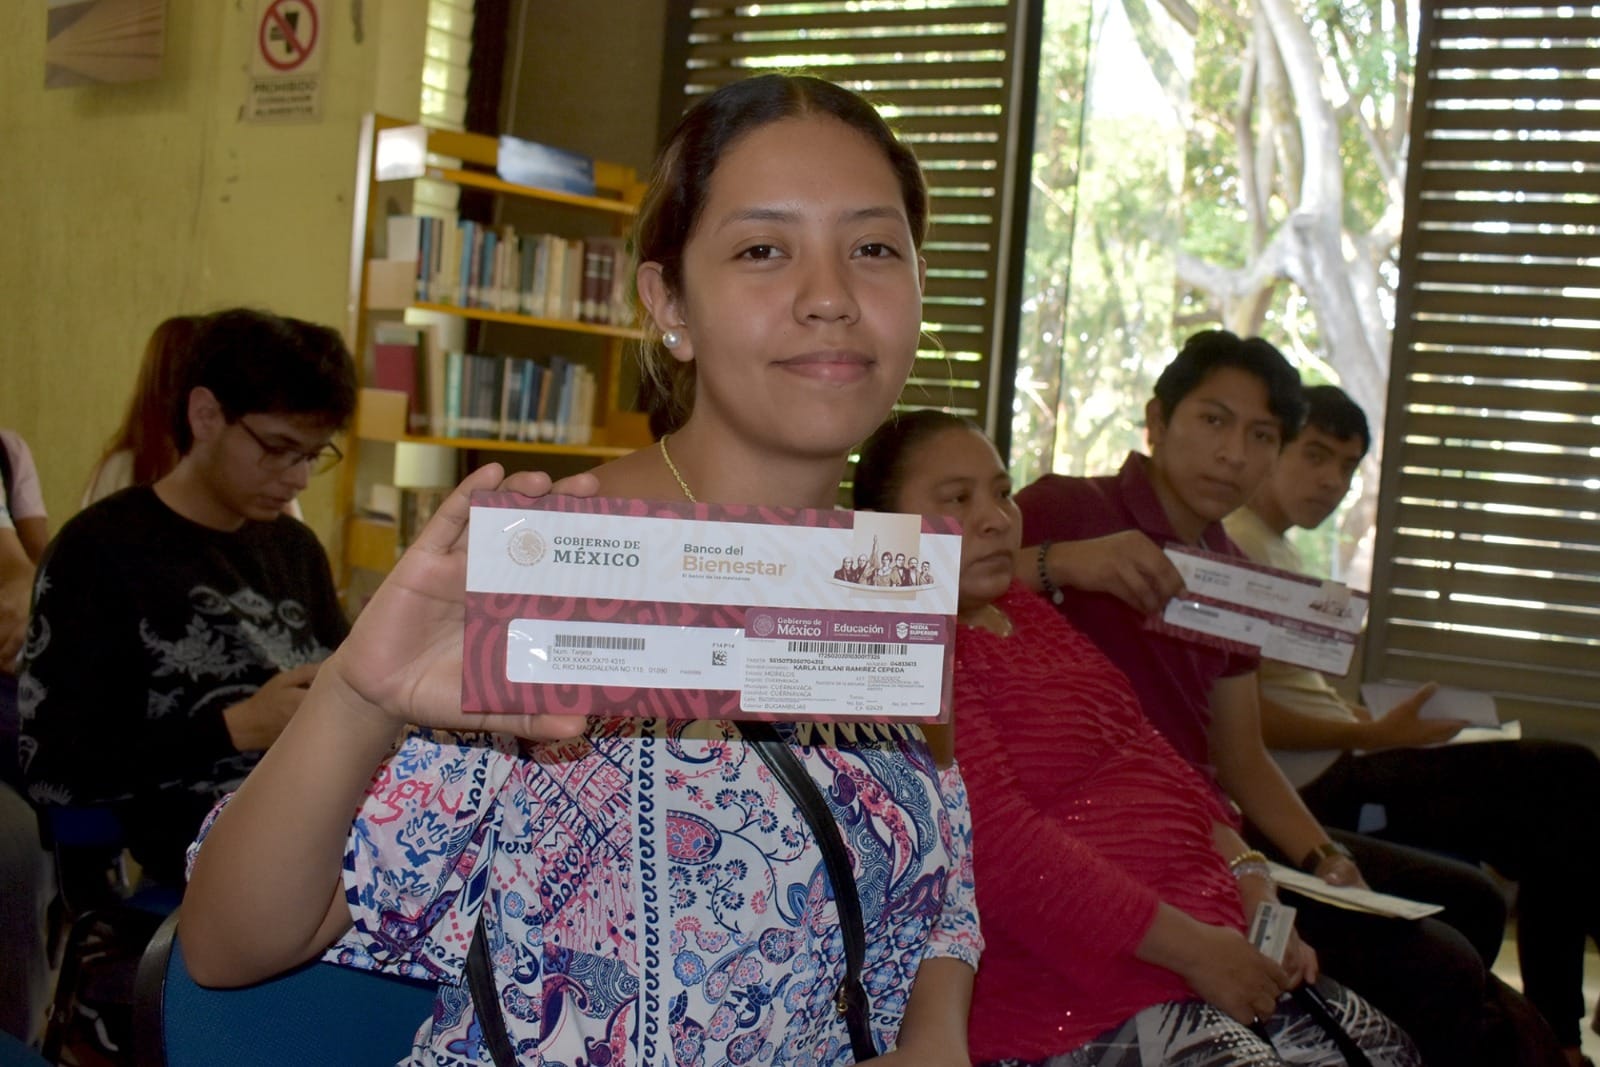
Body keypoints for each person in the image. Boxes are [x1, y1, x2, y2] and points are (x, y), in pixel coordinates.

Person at [182, 74, 980, 1067]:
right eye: (762, 250)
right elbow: (229, 945)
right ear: (668, 303)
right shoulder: (554, 572)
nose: (830, 297)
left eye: (873, 248)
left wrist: (935, 1032)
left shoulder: (881, 587)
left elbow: (940, 867)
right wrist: (355, 697)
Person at [1012, 330, 1559, 1067]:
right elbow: (932, 588)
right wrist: (1061, 563)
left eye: (1261, 435)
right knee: (1442, 967)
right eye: (1214, 420)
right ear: (1157, 421)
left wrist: (1325, 853)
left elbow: (1241, 756)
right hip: (1115, 844)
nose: (1234, 453)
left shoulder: (1237, 573)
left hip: (1216, 838)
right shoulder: (1070, 507)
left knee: (1472, 905)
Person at [853, 409, 1418, 1066]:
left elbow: (1154, 758)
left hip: (1206, 939)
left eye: (1003, 492)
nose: (996, 518)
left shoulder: (1024, 612)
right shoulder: (911, 648)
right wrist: (1198, 951)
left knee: (1389, 1051)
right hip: (1072, 989)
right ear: (885, 531)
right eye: (957, 498)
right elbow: (997, 846)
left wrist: (1255, 886)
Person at [1226, 383, 1600, 1066]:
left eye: (1347, 466)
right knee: (1564, 778)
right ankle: (1557, 1034)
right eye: (1316, 455)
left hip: (1352, 754)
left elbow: (1301, 699)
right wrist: (1370, 735)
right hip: (1318, 785)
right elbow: (1240, 722)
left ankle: (1555, 1035)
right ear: (1273, 447)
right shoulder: (1235, 549)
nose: (1332, 481)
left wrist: (1375, 723)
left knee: (1555, 820)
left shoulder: (1280, 549)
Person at [18, 308, 355, 890]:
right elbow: (55, 768)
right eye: (278, 448)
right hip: (213, 863)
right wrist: (234, 728)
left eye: (311, 455)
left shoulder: (294, 550)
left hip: (332, 833)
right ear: (205, 415)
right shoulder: (98, 551)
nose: (298, 479)